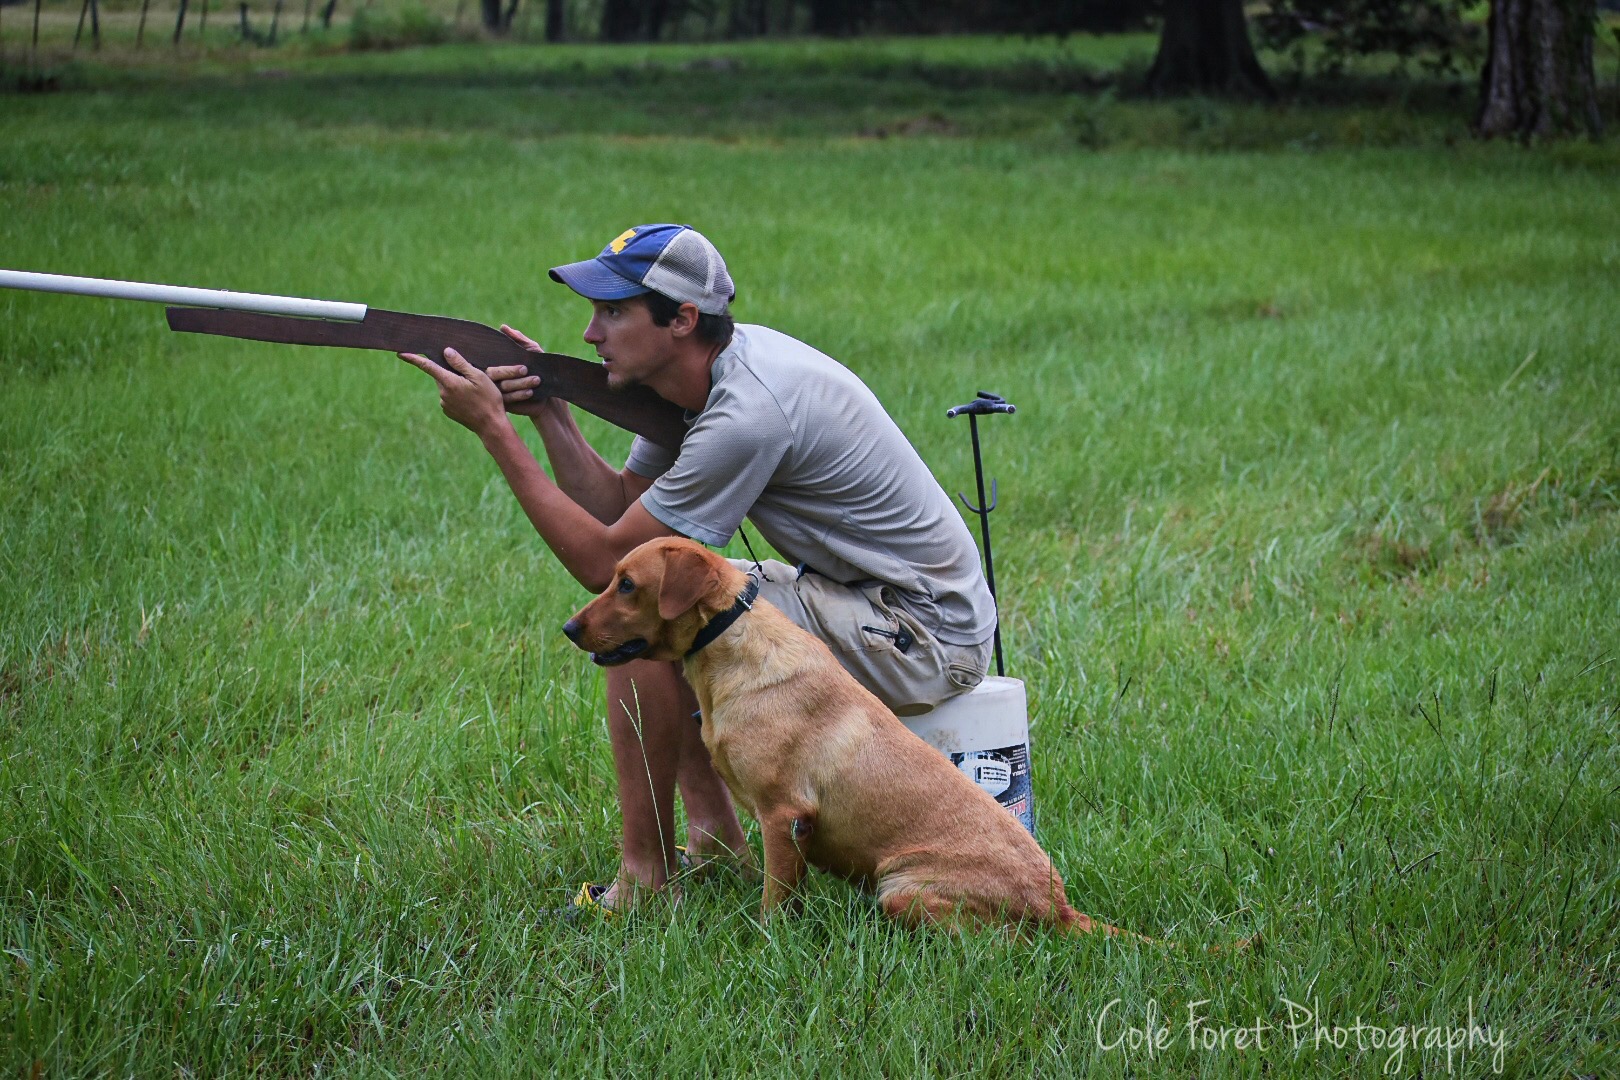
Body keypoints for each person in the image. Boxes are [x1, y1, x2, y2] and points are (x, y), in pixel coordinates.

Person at [399, 224, 996, 911]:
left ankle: (645, 878)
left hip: (920, 633)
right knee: (652, 598)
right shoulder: (700, 384)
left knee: (641, 617)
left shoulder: (745, 413)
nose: (591, 334)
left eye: (613, 312)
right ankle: (714, 840)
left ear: (681, 320)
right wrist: (550, 416)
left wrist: (495, 433)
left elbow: (602, 563)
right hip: (856, 599)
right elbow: (625, 513)